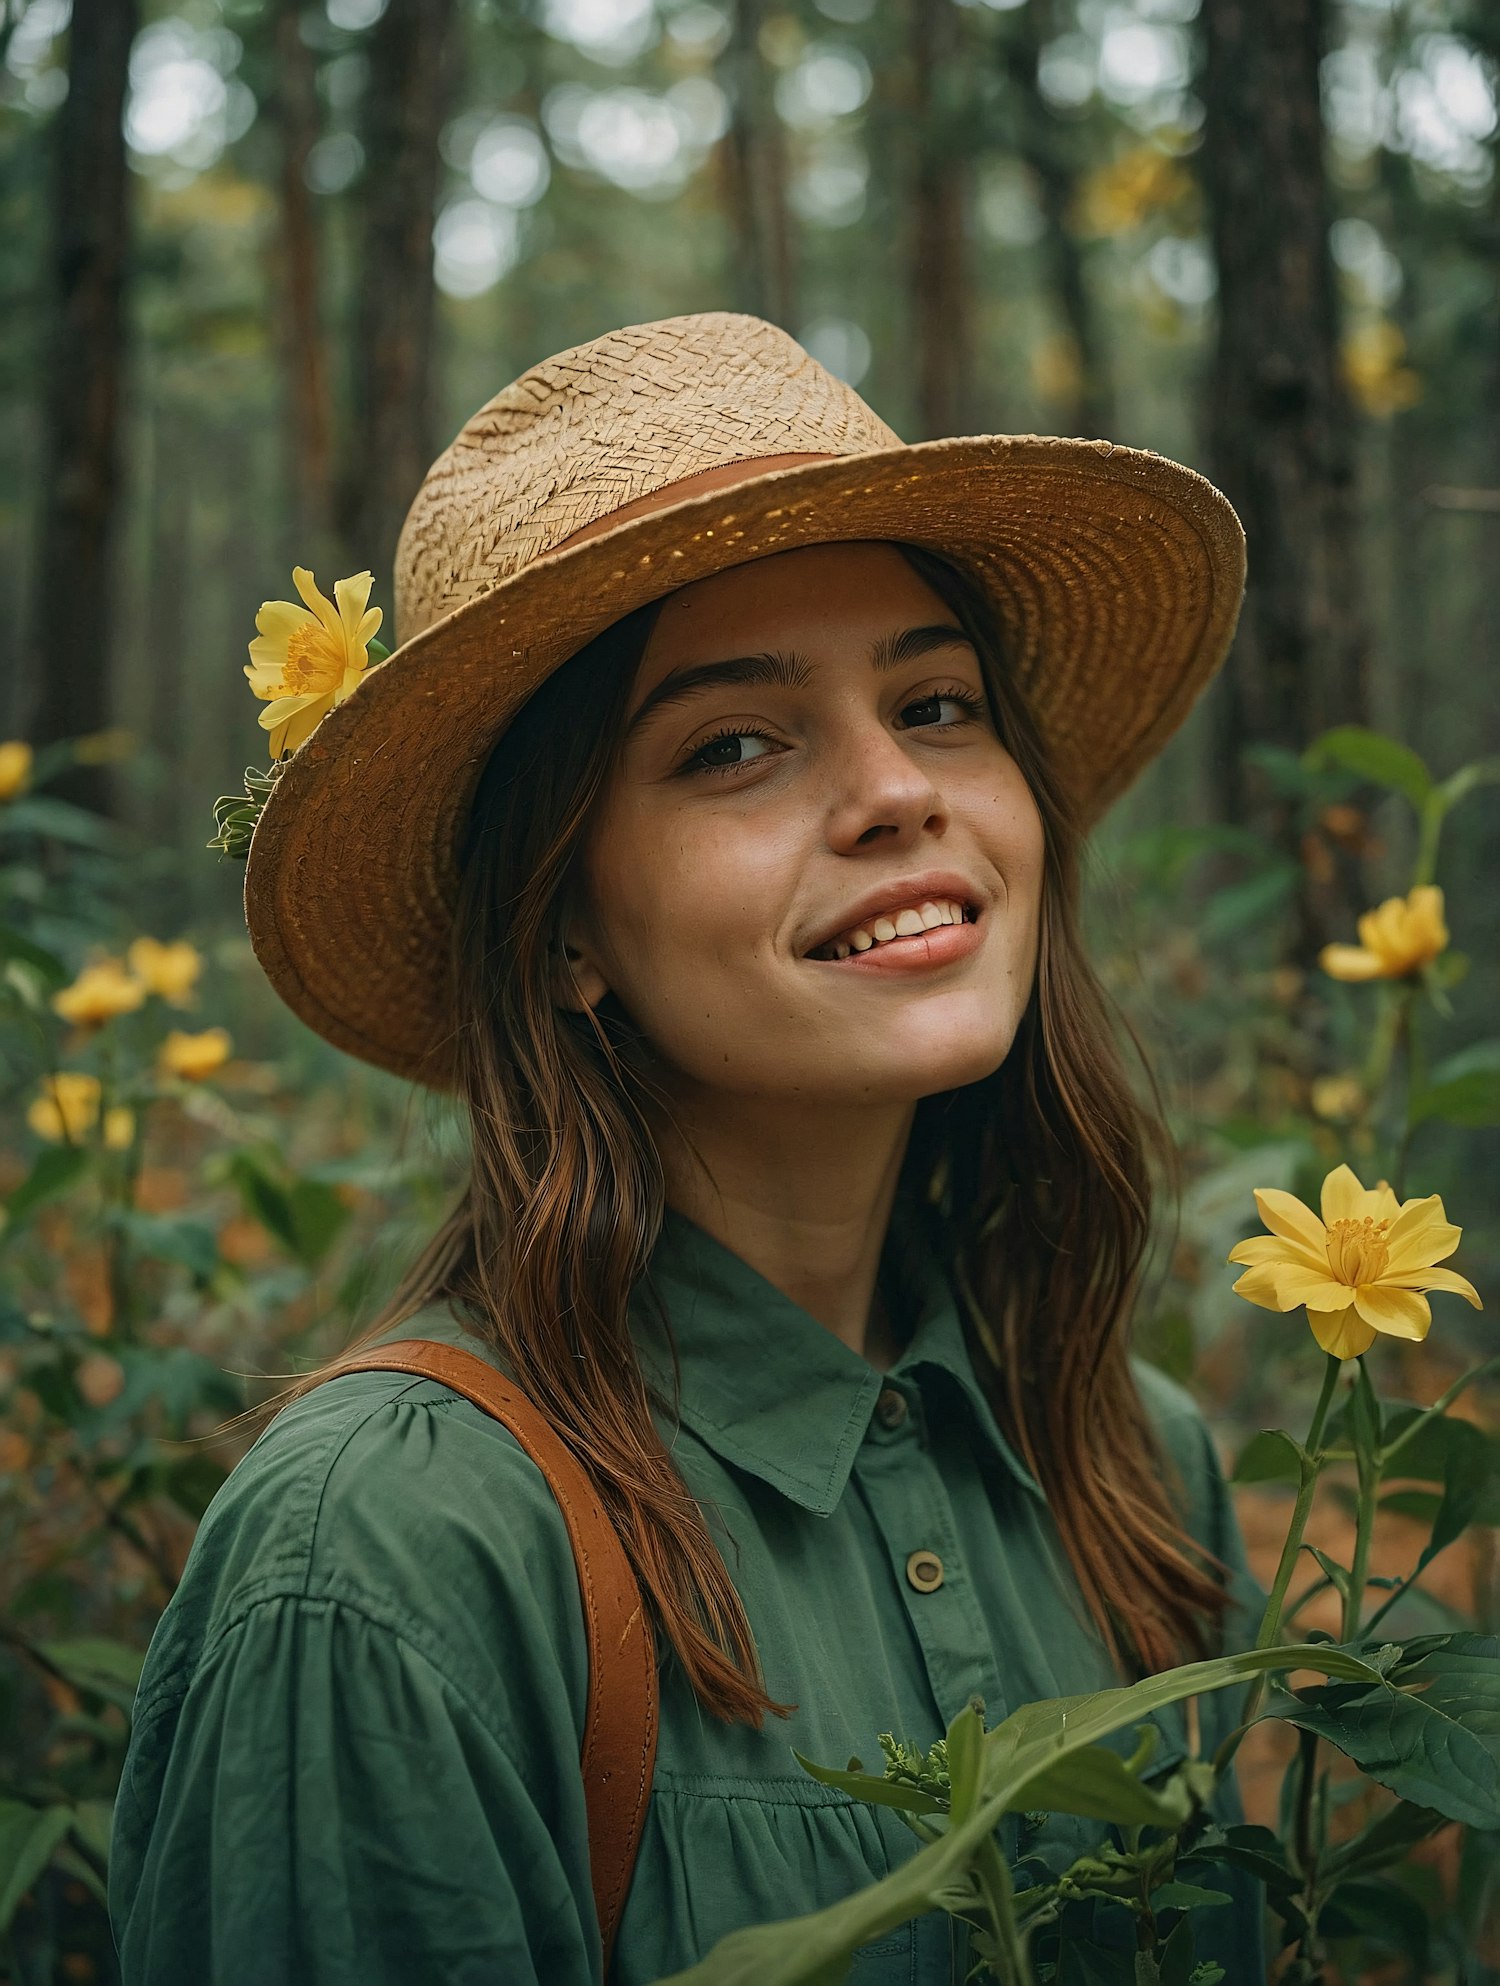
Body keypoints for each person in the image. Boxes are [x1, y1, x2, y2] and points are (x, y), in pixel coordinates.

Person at [109, 314, 1264, 1985]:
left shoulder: (1137, 1466)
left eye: (937, 702)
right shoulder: (390, 1554)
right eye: (735, 744)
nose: (895, 791)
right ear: (563, 926)